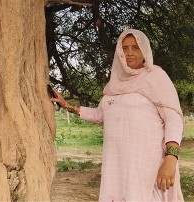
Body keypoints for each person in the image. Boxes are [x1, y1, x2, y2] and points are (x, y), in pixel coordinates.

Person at [51, 29, 184, 201]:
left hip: (146, 166)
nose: (129, 53)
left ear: (145, 50)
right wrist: (67, 105)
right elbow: (99, 115)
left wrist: (171, 159)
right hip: (116, 166)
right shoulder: (114, 84)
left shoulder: (156, 76)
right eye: (125, 48)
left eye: (135, 48)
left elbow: (173, 118)